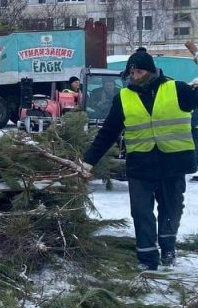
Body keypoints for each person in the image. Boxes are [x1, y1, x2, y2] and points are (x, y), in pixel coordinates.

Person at [82, 48, 198, 270]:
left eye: (140, 72)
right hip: (140, 166)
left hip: (172, 164)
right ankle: (147, 259)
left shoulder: (177, 89)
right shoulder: (123, 98)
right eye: (132, 73)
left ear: (152, 70)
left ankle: (168, 247)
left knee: (171, 208)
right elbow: (107, 133)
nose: (135, 77)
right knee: (141, 211)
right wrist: (88, 162)